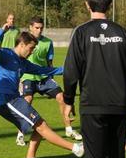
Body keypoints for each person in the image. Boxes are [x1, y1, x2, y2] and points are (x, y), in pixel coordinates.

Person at [0, 23, 84, 158]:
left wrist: (71, 69)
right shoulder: (6, 54)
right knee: (41, 126)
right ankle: (76, 148)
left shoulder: (23, 63)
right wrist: (2, 31)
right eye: (31, 48)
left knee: (39, 127)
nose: (32, 52)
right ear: (22, 44)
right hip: (7, 99)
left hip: (13, 99)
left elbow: (44, 70)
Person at [63, 0, 126, 158]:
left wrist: (68, 101)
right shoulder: (123, 33)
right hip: (119, 106)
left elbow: (70, 71)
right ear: (110, 5)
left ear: (87, 4)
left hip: (92, 105)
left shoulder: (81, 32)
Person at [16, 16, 82, 147]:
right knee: (26, 101)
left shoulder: (47, 42)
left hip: (44, 78)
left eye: (41, 28)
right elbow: (17, 61)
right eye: (36, 28)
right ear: (30, 27)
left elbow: (49, 63)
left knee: (62, 98)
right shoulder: (24, 41)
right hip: (28, 77)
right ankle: (20, 134)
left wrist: (52, 79)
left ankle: (69, 129)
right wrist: (19, 81)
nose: (39, 30)